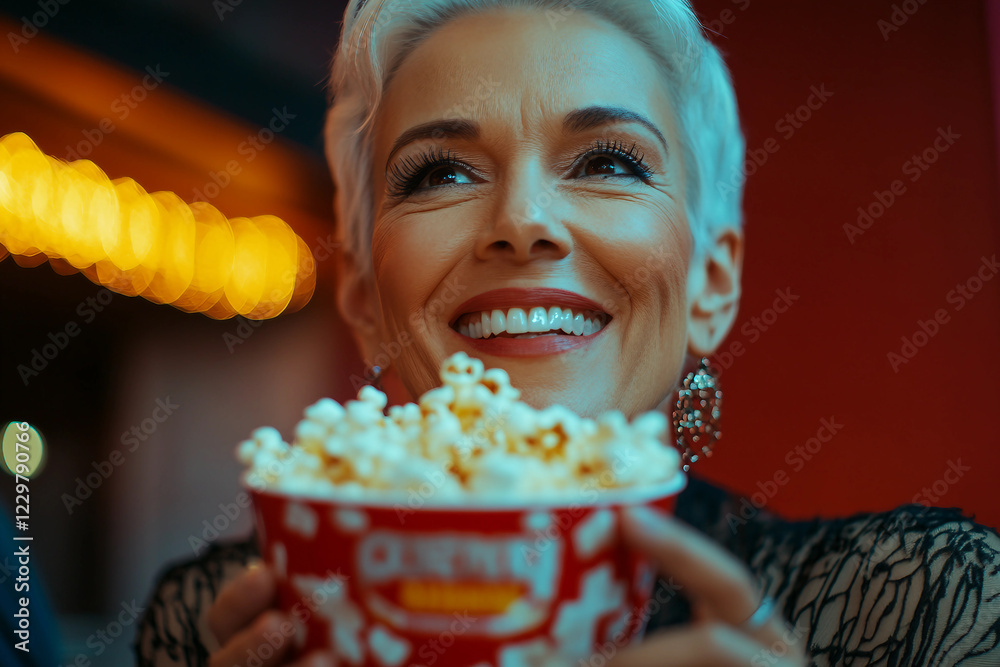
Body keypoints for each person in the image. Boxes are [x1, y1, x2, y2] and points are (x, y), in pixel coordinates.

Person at [134, 1, 1000, 665]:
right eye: (439, 173)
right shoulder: (214, 624)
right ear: (363, 296)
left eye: (608, 161)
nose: (522, 221)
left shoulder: (926, 604)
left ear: (712, 281)